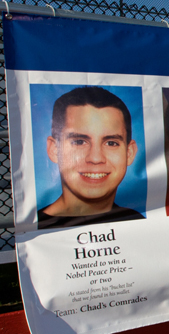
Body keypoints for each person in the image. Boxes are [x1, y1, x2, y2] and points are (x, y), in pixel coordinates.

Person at [38, 86, 143, 229]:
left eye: (111, 143)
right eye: (79, 142)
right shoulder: (33, 231)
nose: (95, 158)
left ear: (129, 153)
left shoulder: (139, 223)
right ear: (54, 149)